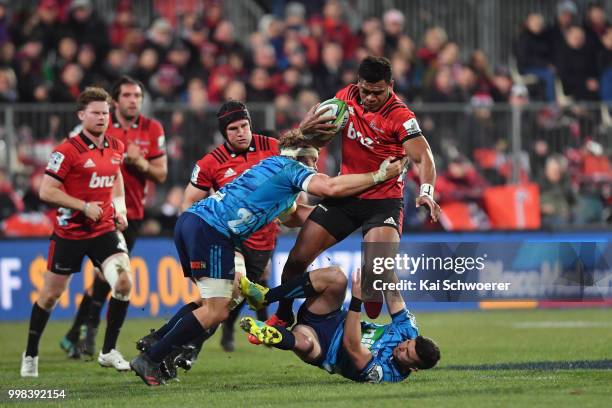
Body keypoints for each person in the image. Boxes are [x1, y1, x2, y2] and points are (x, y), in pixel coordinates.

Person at [129, 127, 407, 386]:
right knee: (217, 310)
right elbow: (330, 188)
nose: (314, 167)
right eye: (312, 161)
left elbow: (300, 216)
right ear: (301, 156)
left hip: (196, 224)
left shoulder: (280, 180)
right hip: (212, 231)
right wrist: (379, 176)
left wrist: (355, 220)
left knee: (217, 301)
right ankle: (150, 360)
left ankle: (158, 342)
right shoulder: (289, 167)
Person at [264, 55, 441, 340]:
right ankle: (284, 314)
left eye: (377, 92)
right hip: (347, 195)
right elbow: (318, 139)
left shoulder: (401, 116)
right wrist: (307, 130)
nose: (370, 97)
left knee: (376, 276)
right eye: (365, 90)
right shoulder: (344, 98)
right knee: (297, 259)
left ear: (391, 86)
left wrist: (426, 192)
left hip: (384, 202)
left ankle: (382, 302)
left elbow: (424, 156)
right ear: (357, 83)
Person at [21, 87, 133, 377]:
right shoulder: (66, 150)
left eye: (106, 113)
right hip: (70, 233)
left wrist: (119, 208)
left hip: (104, 229)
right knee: (49, 296)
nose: (102, 118)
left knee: (123, 282)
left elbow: (116, 176)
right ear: (82, 115)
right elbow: (47, 190)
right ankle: (31, 353)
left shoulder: (116, 146)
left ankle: (108, 351)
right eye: (95, 113)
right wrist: (83, 206)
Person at [60, 75, 167, 359]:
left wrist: (139, 161)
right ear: (115, 101)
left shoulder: (152, 128)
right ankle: (86, 334)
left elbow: (161, 173)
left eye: (138, 96)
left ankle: (78, 333)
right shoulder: (100, 126)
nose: (133, 100)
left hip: (132, 213)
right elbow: (69, 153)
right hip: (97, 213)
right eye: (128, 96)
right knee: (104, 274)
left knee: (105, 278)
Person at [181, 101, 279, 353]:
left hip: (264, 239)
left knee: (228, 301)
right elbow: (189, 202)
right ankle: (184, 347)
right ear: (224, 133)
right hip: (228, 239)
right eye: (233, 129)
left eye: (244, 125)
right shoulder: (210, 163)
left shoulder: (273, 148)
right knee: (230, 291)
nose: (241, 132)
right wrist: (194, 242)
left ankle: (178, 344)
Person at [239, 267, 440, 383]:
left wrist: (356, 300)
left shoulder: (385, 374)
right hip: (330, 316)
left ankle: (272, 334)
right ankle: (265, 297)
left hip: (325, 350)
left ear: (413, 368)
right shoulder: (408, 331)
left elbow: (351, 345)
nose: (402, 347)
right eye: (408, 344)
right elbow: (393, 290)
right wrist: (382, 268)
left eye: (406, 354)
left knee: (305, 343)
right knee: (336, 277)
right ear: (414, 338)